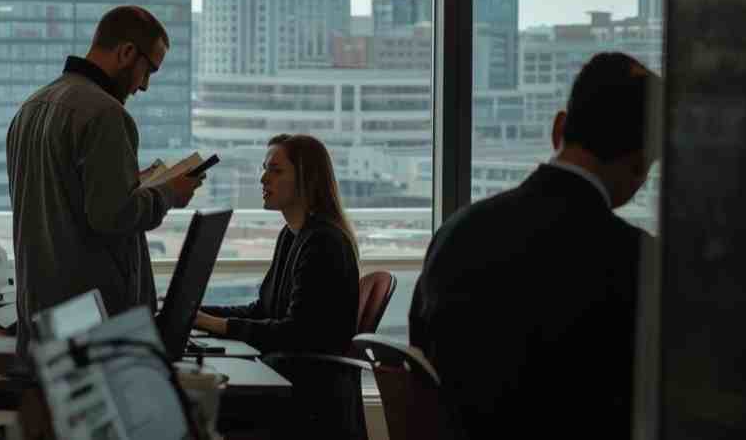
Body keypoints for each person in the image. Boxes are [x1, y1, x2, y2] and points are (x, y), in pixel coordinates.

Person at [409, 52, 663, 439]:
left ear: (558, 128)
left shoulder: (457, 232)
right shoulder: (636, 261)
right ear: (641, 162)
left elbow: (424, 368)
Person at [7, 6, 202, 354]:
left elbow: (67, 201)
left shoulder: (31, 107)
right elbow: (112, 215)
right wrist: (169, 193)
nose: (144, 85)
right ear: (127, 53)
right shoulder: (106, 114)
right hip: (92, 324)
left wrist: (134, 183)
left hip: (42, 318)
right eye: (148, 70)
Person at [195, 134, 363, 439]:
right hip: (291, 376)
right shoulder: (292, 235)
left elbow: (297, 332)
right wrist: (198, 311)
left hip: (308, 393)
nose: (262, 178)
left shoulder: (324, 243)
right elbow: (263, 310)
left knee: (199, 404)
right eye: (263, 168)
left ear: (306, 179)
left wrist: (217, 324)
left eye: (275, 170)